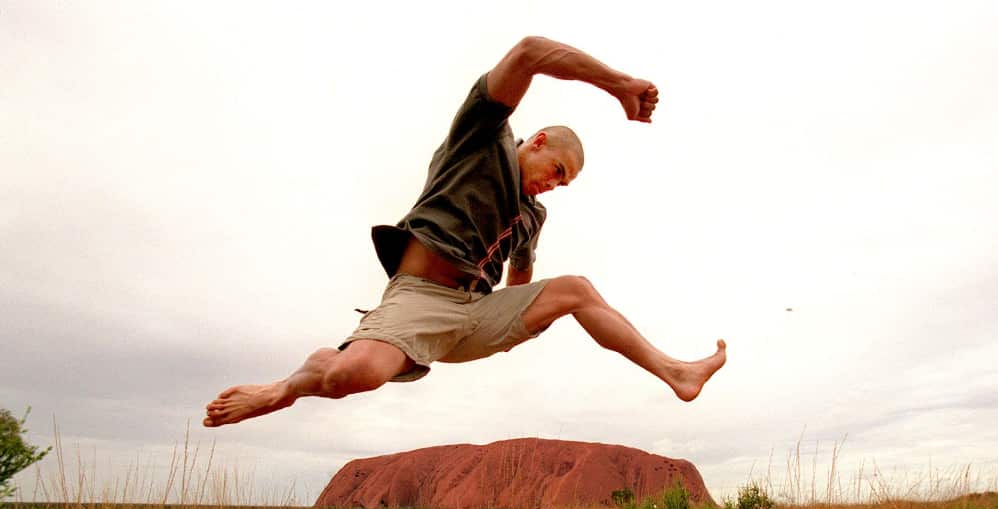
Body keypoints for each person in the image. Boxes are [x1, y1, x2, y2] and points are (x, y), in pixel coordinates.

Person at [203, 36, 726, 428]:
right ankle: (286, 388)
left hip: (475, 315)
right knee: (349, 377)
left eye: (563, 184)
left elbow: (520, 284)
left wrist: (519, 319)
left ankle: (676, 373)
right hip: (421, 299)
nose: (553, 185)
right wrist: (618, 85)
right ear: (538, 142)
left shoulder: (532, 216)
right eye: (557, 171)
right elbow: (531, 52)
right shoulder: (483, 137)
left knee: (578, 290)